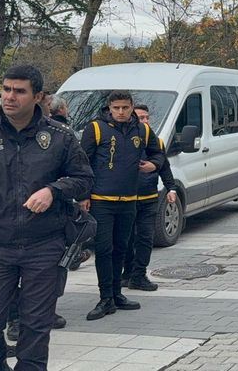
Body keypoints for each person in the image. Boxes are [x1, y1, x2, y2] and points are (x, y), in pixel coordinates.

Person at [0, 65, 94, 371]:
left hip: (43, 245)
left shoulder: (59, 136)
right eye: (6, 89)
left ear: (38, 96)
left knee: (35, 326)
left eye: (19, 91)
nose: (9, 97)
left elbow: (85, 180)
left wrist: (54, 190)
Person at [80, 90, 166, 321]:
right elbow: (82, 164)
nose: (120, 112)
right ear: (109, 107)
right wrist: (84, 195)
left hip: (130, 200)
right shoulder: (96, 128)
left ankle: (117, 293)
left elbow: (159, 153)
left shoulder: (143, 129)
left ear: (131, 108)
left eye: (125, 108)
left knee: (122, 248)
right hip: (101, 201)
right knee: (104, 249)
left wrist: (153, 164)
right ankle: (105, 296)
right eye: (116, 108)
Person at [122, 104, 177, 292]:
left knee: (145, 237)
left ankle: (139, 275)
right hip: (126, 199)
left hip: (149, 197)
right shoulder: (126, 140)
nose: (145, 121)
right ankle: (127, 273)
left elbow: (165, 166)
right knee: (126, 239)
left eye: (147, 117)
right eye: (140, 118)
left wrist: (171, 188)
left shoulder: (156, 142)